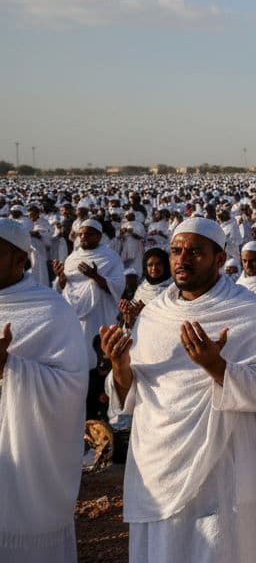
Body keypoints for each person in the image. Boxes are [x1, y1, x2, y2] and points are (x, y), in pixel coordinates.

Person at [102, 217, 256, 563]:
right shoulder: (154, 314)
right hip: (156, 464)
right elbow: (131, 395)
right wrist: (120, 367)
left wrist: (218, 368)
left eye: (195, 252)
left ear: (219, 259)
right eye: (176, 250)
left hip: (220, 467)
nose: (182, 259)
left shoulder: (248, 312)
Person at [0, 219, 88, 563]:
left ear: (21, 260)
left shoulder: (51, 310)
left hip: (28, 463)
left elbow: (71, 384)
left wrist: (11, 366)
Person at [56, 217, 125, 415]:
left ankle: (103, 406)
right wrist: (61, 279)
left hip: (99, 315)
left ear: (98, 235)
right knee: (78, 359)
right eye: (81, 234)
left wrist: (95, 277)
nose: (83, 237)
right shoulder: (72, 258)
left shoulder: (110, 257)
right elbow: (66, 288)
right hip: (75, 319)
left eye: (88, 234)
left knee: (99, 357)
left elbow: (118, 286)